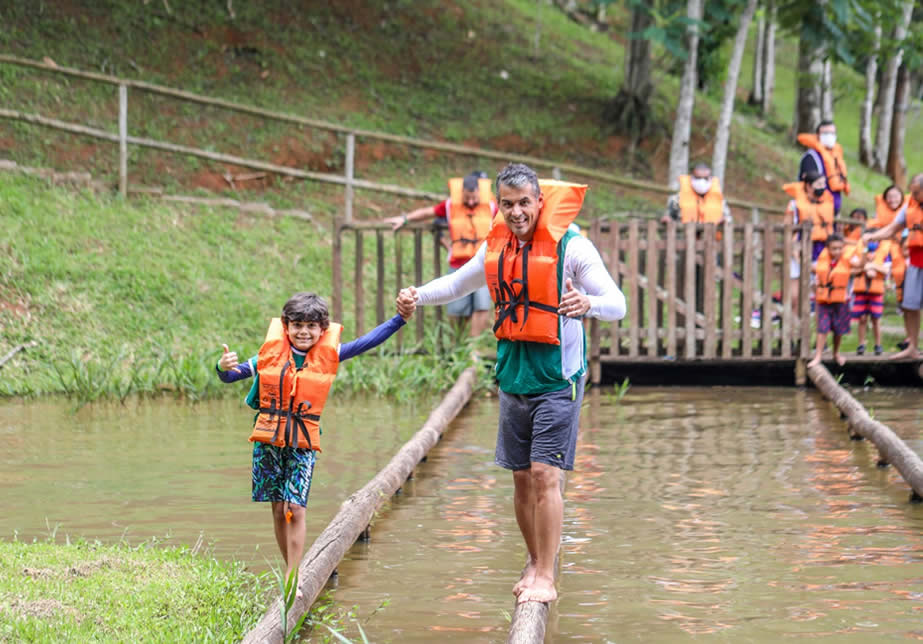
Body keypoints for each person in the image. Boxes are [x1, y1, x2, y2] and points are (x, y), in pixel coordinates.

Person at [397, 163, 626, 604]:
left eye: (525, 203)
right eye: (508, 204)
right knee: (521, 478)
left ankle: (545, 575)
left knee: (545, 475)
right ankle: (535, 558)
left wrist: (588, 303)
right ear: (496, 206)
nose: (517, 212)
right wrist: (417, 296)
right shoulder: (496, 243)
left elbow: (618, 303)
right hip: (513, 377)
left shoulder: (572, 246)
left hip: (557, 379)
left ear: (540, 202)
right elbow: (457, 284)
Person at [216, 292, 414, 592]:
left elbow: (368, 341)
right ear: (286, 327)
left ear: (323, 329)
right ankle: (290, 570)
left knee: (295, 506)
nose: (304, 332)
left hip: (303, 442)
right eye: (297, 325)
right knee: (278, 507)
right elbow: (231, 377)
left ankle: (294, 576)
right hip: (268, 441)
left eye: (311, 326)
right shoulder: (269, 355)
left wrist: (400, 319)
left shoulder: (329, 354)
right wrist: (223, 366)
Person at [383, 171, 497, 337]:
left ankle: (473, 350)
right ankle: (458, 347)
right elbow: (428, 212)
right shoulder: (451, 205)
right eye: (467, 197)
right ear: (462, 193)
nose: (471, 201)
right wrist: (405, 219)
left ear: (480, 193)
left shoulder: (493, 206)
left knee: (482, 306)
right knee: (457, 309)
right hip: (458, 263)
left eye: (474, 198)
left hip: (483, 263)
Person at [862, 173, 923, 360]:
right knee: (909, 306)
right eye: (911, 192)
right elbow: (892, 228)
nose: (911, 196)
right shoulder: (910, 207)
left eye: (916, 192)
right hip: (915, 262)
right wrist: (871, 236)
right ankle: (912, 346)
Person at [809, 234, 850, 368]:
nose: (837, 251)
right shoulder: (820, 261)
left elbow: (860, 264)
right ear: (827, 249)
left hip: (841, 299)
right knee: (823, 327)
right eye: (834, 249)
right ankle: (818, 355)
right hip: (824, 300)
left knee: (839, 329)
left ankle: (836, 353)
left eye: (840, 248)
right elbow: (814, 274)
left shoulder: (847, 260)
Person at [851, 228, 894, 356]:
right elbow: (855, 265)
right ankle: (861, 344)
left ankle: (878, 345)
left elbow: (886, 270)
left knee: (876, 319)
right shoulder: (859, 249)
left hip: (876, 290)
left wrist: (873, 266)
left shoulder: (885, 251)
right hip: (861, 290)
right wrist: (865, 258)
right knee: (862, 318)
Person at [797, 120, 850, 214]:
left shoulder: (835, 156)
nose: (829, 136)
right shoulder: (811, 157)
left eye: (832, 133)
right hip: (815, 211)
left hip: (832, 212)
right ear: (817, 135)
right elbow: (808, 187)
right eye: (826, 133)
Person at [662, 162, 731, 225]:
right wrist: (667, 219)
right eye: (698, 177)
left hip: (712, 236)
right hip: (685, 236)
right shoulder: (679, 197)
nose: (702, 181)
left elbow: (728, 218)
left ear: (710, 178)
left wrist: (724, 221)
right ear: (692, 176)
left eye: (705, 178)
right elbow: (668, 215)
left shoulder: (718, 198)